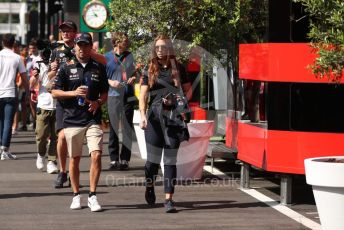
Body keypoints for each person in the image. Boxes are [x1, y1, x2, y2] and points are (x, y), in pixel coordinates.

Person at [52, 32, 108, 212]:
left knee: (96, 155)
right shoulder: (66, 68)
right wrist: (73, 93)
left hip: (92, 119)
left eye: (86, 45)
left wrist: (98, 102)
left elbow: (105, 92)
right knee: (74, 159)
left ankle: (92, 195)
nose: (82, 48)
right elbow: (55, 92)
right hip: (72, 119)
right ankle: (76, 195)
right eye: (79, 45)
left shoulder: (98, 68)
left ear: (91, 47)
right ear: (75, 46)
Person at [139, 35, 192, 213]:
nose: (160, 50)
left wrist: (179, 101)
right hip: (154, 117)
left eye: (163, 47)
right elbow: (143, 95)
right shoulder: (149, 68)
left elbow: (188, 90)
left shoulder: (179, 68)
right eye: (157, 47)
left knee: (170, 160)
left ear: (169, 48)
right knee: (152, 162)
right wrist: (142, 115)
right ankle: (149, 186)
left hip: (173, 118)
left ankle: (169, 199)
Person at [105, 32, 137, 170]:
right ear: (116, 42)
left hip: (128, 94)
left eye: (126, 40)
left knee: (127, 128)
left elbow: (136, 73)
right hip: (113, 95)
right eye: (123, 40)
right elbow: (102, 75)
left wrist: (133, 78)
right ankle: (113, 159)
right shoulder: (106, 57)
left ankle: (125, 159)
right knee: (113, 127)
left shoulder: (131, 56)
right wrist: (110, 82)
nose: (126, 42)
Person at [30, 43, 58, 174]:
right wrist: (35, 75)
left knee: (56, 136)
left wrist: (56, 68)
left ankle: (52, 161)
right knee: (41, 135)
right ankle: (41, 154)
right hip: (43, 104)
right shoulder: (39, 65)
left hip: (59, 104)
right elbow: (32, 84)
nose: (48, 56)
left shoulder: (60, 65)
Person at [0, 34, 29, 160]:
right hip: (11, 93)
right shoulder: (17, 58)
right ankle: (5, 150)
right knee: (8, 122)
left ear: (2, 43)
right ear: (13, 44)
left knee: (0, 121)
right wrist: (28, 91)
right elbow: (24, 77)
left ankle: (2, 149)